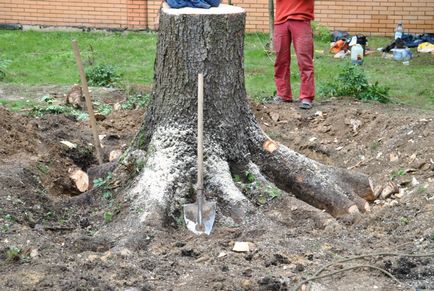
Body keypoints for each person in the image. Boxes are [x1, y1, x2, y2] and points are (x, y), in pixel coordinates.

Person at [273, 0, 315, 109]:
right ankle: (283, 94)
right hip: (280, 20)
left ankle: (306, 96)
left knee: (304, 61)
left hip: (301, 19)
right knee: (280, 61)